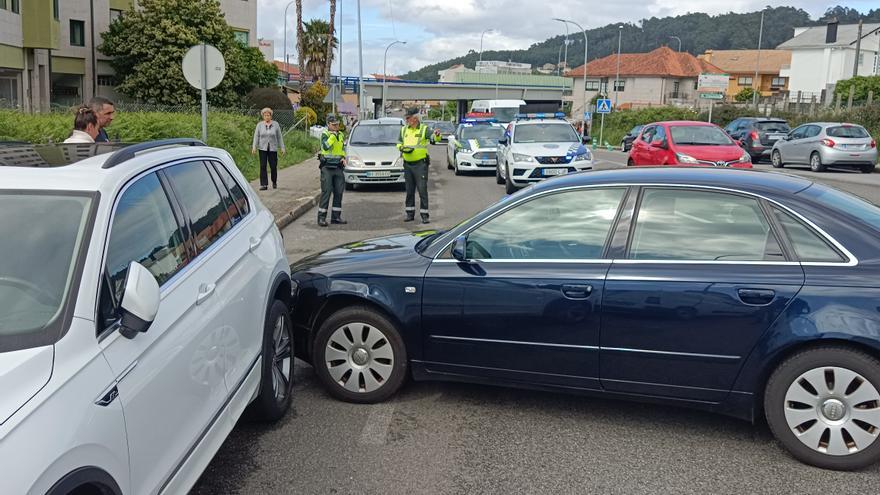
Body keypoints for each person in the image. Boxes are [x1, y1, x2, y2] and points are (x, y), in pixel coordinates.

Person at [398, 108, 441, 224]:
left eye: (408, 118)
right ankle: (409, 213)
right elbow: (398, 143)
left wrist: (437, 135)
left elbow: (434, 138)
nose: (406, 120)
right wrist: (401, 148)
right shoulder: (403, 130)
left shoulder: (424, 129)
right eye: (406, 118)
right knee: (409, 190)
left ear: (415, 118)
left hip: (420, 165)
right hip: (407, 164)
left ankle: (424, 215)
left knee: (422, 190)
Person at [317, 115, 347, 227]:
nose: (336, 126)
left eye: (337, 124)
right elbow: (325, 147)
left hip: (338, 167)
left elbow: (342, 149)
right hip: (327, 167)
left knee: (339, 192)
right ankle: (321, 218)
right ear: (328, 124)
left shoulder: (341, 135)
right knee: (326, 192)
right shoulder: (325, 134)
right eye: (333, 124)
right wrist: (333, 137)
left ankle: (336, 217)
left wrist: (343, 157)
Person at [251, 107, 286, 190]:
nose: (267, 117)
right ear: (263, 116)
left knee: (273, 166)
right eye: (265, 115)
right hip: (262, 148)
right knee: (263, 166)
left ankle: (274, 181)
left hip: (273, 149)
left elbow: (279, 137)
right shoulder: (259, 125)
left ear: (271, 116)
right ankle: (264, 184)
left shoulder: (276, 124)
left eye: (268, 115)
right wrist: (254, 147)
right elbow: (256, 136)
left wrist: (282, 147)